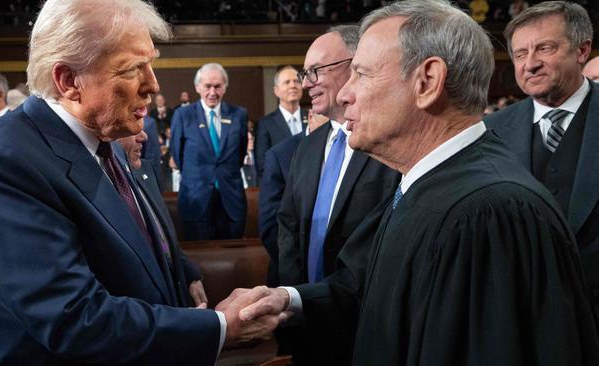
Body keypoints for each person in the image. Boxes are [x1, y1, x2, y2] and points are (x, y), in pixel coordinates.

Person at [227, 1, 599, 365]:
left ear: (427, 81)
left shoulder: (488, 210)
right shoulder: (424, 182)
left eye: (362, 73)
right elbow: (375, 292)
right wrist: (288, 300)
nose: (344, 93)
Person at [0, 1, 278, 364]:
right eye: (133, 69)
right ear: (69, 80)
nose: (153, 84)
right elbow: (73, 319)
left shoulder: (108, 143)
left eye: (150, 63)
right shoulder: (1, 161)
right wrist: (220, 328)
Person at [483, 1, 599, 312]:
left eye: (544, 48)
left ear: (582, 50)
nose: (529, 64)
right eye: (520, 54)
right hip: (518, 313)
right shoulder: (489, 131)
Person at [278, 25, 399, 287]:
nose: (306, 83)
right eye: (304, 74)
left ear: (355, 65)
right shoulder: (306, 148)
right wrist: (294, 299)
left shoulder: (388, 143)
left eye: (316, 71)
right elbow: (288, 226)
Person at [115, 131, 208, 306]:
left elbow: (164, 237)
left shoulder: (145, 169)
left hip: (175, 294)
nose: (143, 136)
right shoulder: (105, 184)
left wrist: (191, 275)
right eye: (133, 130)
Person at [170, 63, 248, 240]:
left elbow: (241, 153)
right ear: (198, 87)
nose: (213, 92)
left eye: (218, 86)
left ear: (225, 87)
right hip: (196, 200)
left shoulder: (239, 115)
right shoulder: (183, 116)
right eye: (207, 86)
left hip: (231, 201)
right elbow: (177, 154)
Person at [259, 110, 328, 287]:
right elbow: (270, 225)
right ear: (311, 117)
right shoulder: (280, 154)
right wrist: (295, 268)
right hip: (288, 275)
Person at [255, 65, 307, 179]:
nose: (293, 85)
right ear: (276, 91)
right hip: (282, 189)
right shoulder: (265, 124)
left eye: (296, 81)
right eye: (287, 82)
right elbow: (263, 165)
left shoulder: (314, 118)